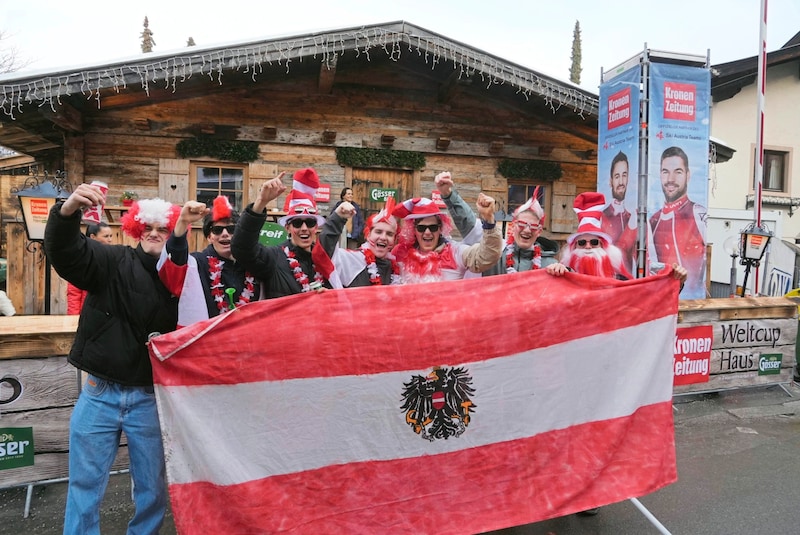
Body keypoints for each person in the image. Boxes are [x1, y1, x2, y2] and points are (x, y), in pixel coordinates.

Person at [44, 184, 180, 534]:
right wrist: (68, 209)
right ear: (135, 228)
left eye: (162, 229)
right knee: (85, 485)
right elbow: (65, 251)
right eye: (147, 227)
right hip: (99, 393)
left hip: (149, 398)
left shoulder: (183, 278)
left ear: (173, 233)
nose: (153, 234)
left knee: (151, 489)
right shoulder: (112, 259)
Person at [158, 195, 260, 327]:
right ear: (209, 237)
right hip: (209, 341)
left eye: (231, 229)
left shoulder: (253, 263)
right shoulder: (196, 263)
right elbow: (175, 262)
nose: (224, 234)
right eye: (217, 230)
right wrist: (183, 222)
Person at [231, 168, 331, 297]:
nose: (304, 228)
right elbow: (242, 249)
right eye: (297, 223)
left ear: (316, 227)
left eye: (310, 222)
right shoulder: (274, 257)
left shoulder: (326, 259)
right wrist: (261, 202)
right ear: (287, 228)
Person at [437, 172, 559, 275]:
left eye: (533, 227)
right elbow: (468, 222)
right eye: (522, 224)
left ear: (539, 231)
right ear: (514, 225)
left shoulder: (550, 264)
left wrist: (565, 271)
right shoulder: (495, 250)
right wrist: (448, 194)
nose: (527, 230)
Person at [390, 191, 503, 284]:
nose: (427, 232)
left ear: (440, 229)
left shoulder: (456, 253)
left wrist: (489, 220)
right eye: (421, 228)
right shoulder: (400, 253)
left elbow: (486, 257)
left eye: (433, 227)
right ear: (414, 230)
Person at [649, 146, 706, 296]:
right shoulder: (653, 221)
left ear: (688, 175)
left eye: (678, 172)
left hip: (693, 310)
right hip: (664, 307)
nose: (670, 179)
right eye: (665, 172)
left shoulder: (698, 212)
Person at [313, 196, 400, 287]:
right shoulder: (352, 260)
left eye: (389, 234)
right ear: (368, 234)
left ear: (394, 239)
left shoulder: (397, 269)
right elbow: (323, 253)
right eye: (378, 232)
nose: (383, 237)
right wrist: (338, 218)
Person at [600, 151, 637, 273]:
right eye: (617, 176)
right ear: (611, 181)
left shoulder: (632, 216)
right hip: (607, 285)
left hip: (628, 286)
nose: (621, 182)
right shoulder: (601, 217)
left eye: (624, 175)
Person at [66, 221, 114, 315]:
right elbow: (74, 294)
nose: (110, 240)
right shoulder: (82, 259)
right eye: (106, 236)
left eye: (111, 236)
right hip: (87, 314)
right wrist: (74, 318)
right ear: (93, 237)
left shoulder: (113, 257)